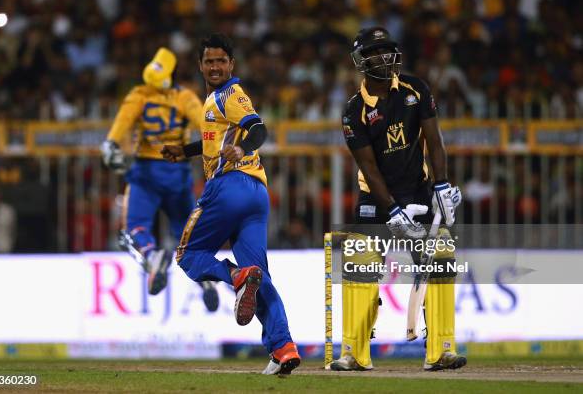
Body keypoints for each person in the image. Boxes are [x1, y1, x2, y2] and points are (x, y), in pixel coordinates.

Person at [161, 34, 300, 375]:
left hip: (228, 188)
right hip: (255, 195)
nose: (215, 66)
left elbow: (258, 129)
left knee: (187, 255)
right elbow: (214, 140)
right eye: (209, 61)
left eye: (221, 60)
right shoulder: (214, 102)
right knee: (261, 276)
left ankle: (236, 276)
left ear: (232, 65)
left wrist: (243, 148)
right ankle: (283, 347)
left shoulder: (229, 96)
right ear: (200, 65)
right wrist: (186, 151)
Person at [331, 27, 466, 371]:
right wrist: (390, 209)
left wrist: (441, 187)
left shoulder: (415, 88)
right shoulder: (353, 110)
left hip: (418, 188)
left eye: (387, 50)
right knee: (359, 261)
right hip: (375, 197)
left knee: (440, 256)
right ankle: (353, 353)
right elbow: (368, 166)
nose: (383, 57)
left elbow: (434, 141)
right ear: (362, 61)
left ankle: (441, 350)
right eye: (374, 52)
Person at [100, 47, 219, 312]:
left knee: (135, 228)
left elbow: (120, 126)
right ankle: (206, 279)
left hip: (145, 173)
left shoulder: (139, 95)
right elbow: (207, 127)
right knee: (187, 235)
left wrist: (110, 145)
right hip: (177, 173)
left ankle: (153, 256)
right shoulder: (185, 97)